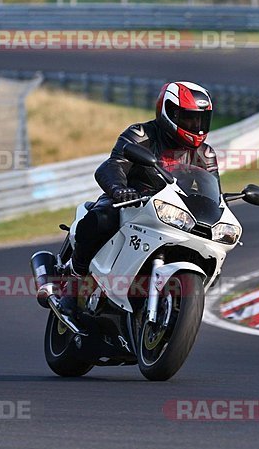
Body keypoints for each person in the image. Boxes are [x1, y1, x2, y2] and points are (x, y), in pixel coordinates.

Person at [44, 81, 219, 312]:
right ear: (168, 111)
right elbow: (112, 164)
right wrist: (118, 188)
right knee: (101, 219)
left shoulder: (205, 153)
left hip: (171, 211)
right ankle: (75, 280)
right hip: (130, 200)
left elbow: (212, 192)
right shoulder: (141, 134)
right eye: (188, 118)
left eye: (200, 120)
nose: (195, 126)